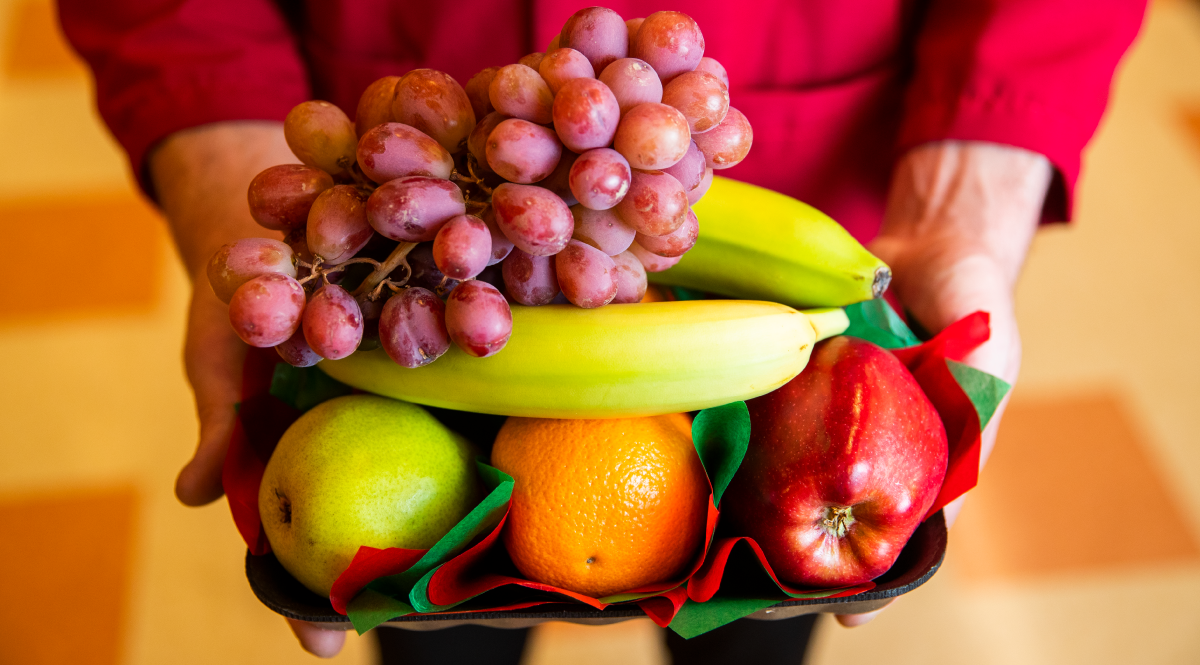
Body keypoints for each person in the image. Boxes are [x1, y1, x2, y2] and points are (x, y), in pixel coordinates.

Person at [59, 0, 1146, 661]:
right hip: (409, 271)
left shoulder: (795, 307)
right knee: (438, 640)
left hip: (804, 246)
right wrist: (225, 178)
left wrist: (970, 198)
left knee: (761, 627)